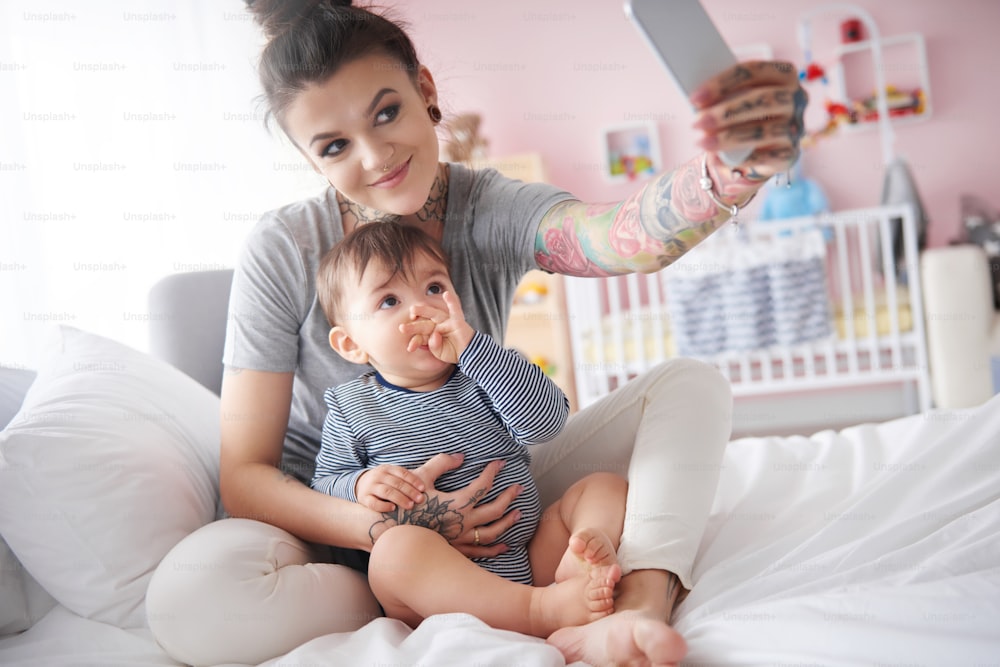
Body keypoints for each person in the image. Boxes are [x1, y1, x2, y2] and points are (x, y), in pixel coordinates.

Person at [144, 1, 806, 665]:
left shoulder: (492, 206)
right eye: (335, 146)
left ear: (424, 91)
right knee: (191, 602)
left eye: (386, 113)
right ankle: (414, 593)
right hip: (343, 525)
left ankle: (631, 609)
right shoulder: (285, 245)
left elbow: (613, 240)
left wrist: (732, 168)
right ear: (308, 157)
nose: (376, 157)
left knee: (689, 386)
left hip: (490, 483)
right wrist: (398, 523)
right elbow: (247, 476)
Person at [310, 221, 629, 634]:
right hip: (437, 591)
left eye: (434, 288)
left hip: (527, 558)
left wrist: (475, 351)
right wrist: (358, 485)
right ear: (351, 344)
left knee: (603, 486)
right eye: (389, 300)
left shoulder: (486, 373)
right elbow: (324, 483)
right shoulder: (351, 408)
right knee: (396, 552)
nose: (419, 310)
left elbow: (549, 422)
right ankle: (538, 611)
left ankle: (585, 552)